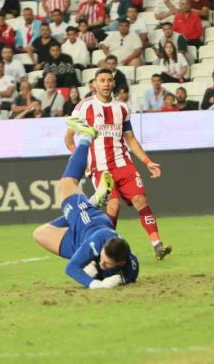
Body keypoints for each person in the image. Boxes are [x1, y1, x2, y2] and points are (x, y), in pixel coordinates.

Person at [65, 68, 172, 260]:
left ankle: (157, 245)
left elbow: (130, 139)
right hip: (100, 167)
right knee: (113, 205)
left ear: (113, 83)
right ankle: (105, 249)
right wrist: (83, 159)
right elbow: (69, 138)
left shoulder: (122, 107)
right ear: (94, 84)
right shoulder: (84, 106)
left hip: (123, 163)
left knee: (141, 200)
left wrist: (147, 162)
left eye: (109, 80)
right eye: (102, 80)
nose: (106, 83)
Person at [32, 117, 139, 289]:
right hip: (87, 220)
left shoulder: (131, 263)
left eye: (106, 263)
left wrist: (120, 280)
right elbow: (71, 268)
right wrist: (95, 284)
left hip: (81, 237)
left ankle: (93, 201)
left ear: (121, 262)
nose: (103, 264)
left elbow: (131, 275)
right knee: (68, 183)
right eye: (102, 260)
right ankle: (86, 138)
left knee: (39, 234)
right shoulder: (98, 243)